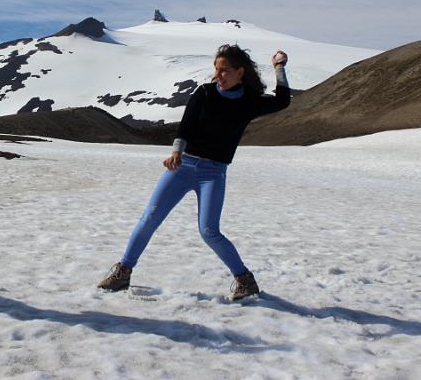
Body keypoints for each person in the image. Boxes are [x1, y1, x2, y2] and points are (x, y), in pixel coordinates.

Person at [98, 44, 290, 300]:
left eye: (224, 71)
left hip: (213, 172)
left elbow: (282, 100)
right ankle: (123, 272)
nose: (217, 75)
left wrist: (279, 68)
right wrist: (177, 152)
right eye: (216, 69)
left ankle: (245, 280)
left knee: (208, 230)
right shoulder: (205, 93)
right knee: (150, 217)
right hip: (183, 166)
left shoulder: (249, 101)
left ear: (240, 72)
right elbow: (186, 126)